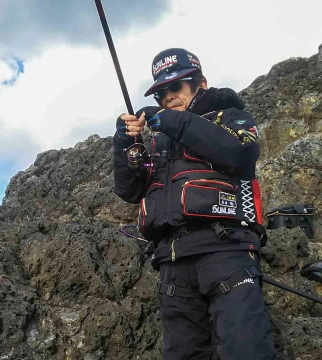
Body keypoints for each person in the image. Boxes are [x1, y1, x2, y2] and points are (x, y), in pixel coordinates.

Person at [113, 48, 276, 359]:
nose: (168, 96)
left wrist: (173, 120)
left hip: (226, 250)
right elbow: (129, 190)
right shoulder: (160, 140)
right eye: (162, 92)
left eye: (176, 87)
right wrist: (125, 144)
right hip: (172, 263)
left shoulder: (231, 116)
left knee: (246, 349)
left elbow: (240, 154)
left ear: (200, 84)